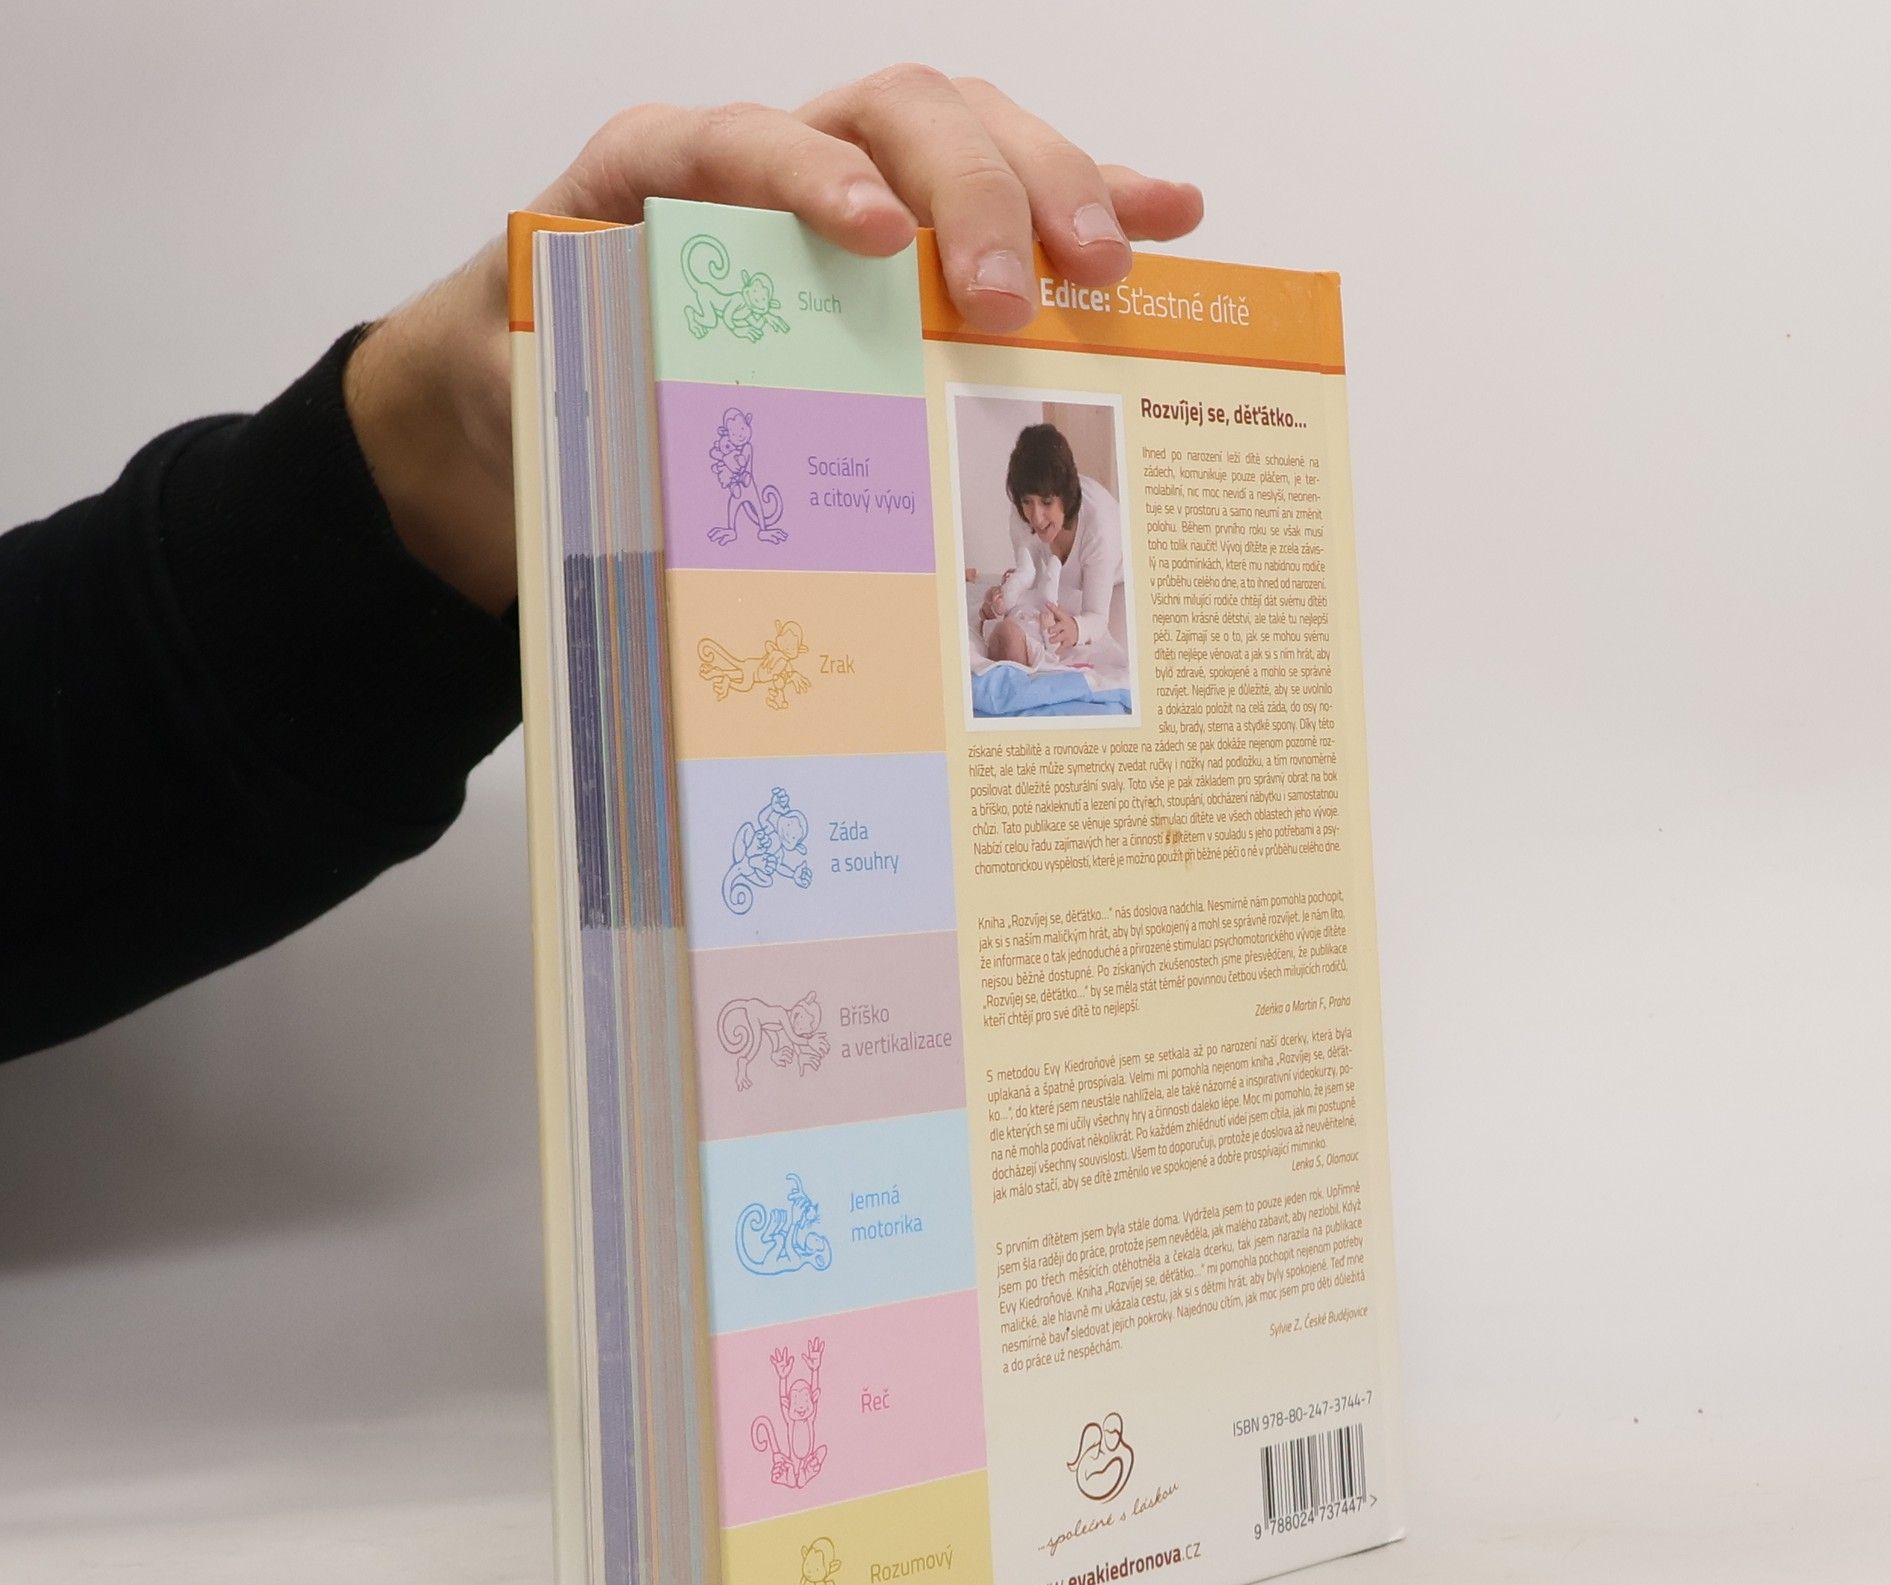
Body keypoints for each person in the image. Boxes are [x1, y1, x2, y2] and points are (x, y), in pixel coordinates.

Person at [0, 70, 1203, 1064]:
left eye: (1044, 509)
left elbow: (1098, 627)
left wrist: (435, 454)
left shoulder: (1102, 517)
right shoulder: (1028, 536)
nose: (1037, 521)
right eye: (1026, 508)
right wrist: (1014, 612)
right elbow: (1021, 603)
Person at [978, 421, 1127, 685]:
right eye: (1027, 501)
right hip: (1070, 579)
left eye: (1046, 502)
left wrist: (1077, 628)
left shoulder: (1100, 529)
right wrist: (1001, 601)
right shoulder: (1021, 515)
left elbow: (1096, 617)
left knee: (1119, 653)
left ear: (1065, 498)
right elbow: (1031, 579)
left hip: (1122, 577)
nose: (1036, 517)